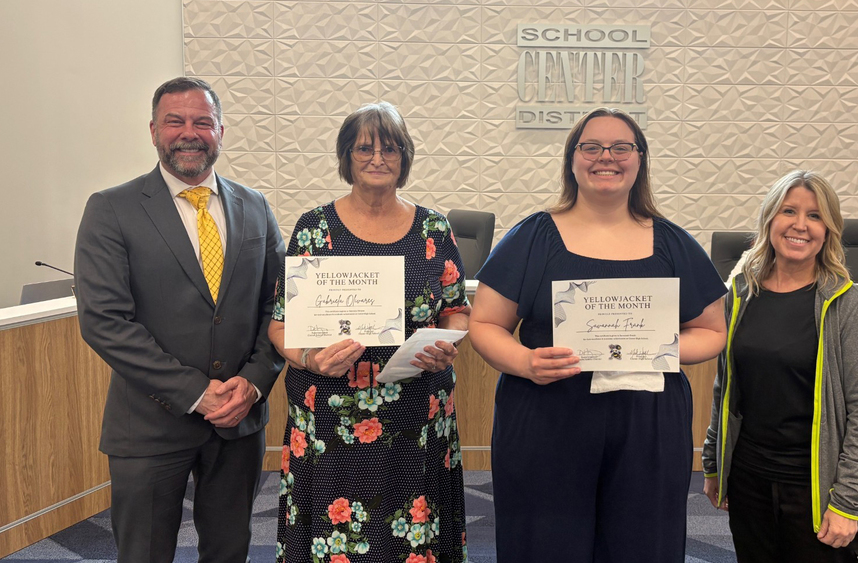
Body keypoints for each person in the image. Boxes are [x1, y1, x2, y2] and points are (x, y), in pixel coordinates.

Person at [468, 108, 728, 562]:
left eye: (621, 147)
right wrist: (525, 362)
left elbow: (711, 332)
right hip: (547, 418)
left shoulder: (673, 242)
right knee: (546, 543)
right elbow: (485, 324)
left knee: (641, 546)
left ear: (640, 160)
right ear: (572, 159)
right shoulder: (532, 236)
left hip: (646, 427)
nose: (606, 157)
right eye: (591, 147)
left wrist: (659, 349)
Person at [74, 77, 285, 563]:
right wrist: (195, 391)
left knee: (230, 551)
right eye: (175, 121)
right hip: (149, 426)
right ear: (153, 131)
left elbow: (279, 307)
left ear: (220, 132)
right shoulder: (111, 209)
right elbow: (105, 321)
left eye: (202, 122)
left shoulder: (255, 207)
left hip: (239, 420)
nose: (189, 132)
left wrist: (252, 384)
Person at [268, 102, 470, 563]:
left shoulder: (434, 228)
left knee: (411, 533)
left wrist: (446, 342)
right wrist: (309, 359)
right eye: (364, 148)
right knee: (335, 535)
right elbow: (280, 326)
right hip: (332, 414)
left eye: (390, 148)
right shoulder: (314, 228)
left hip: (416, 411)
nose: (378, 158)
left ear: (405, 157)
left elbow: (458, 310)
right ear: (346, 156)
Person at [701, 170, 858, 563]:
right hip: (749, 479)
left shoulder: (848, 305)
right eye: (789, 211)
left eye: (815, 216)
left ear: (829, 230)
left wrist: (847, 502)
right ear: (770, 220)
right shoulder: (739, 295)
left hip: (817, 488)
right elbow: (726, 387)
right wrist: (714, 463)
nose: (801, 225)